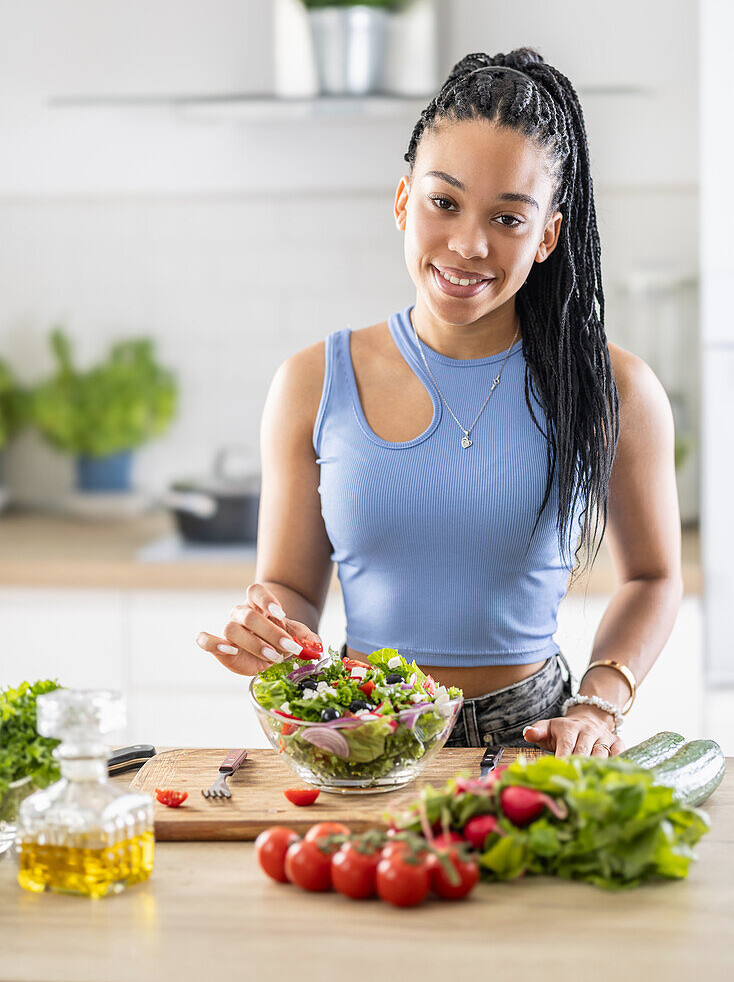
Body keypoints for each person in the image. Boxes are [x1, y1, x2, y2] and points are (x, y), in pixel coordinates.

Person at [195, 48, 683, 758]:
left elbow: (653, 576)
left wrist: (598, 707)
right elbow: (290, 586)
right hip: (359, 733)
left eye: (509, 219)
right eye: (443, 202)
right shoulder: (312, 381)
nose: (467, 243)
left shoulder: (614, 389)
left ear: (548, 234)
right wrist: (270, 628)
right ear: (403, 199)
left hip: (537, 738)